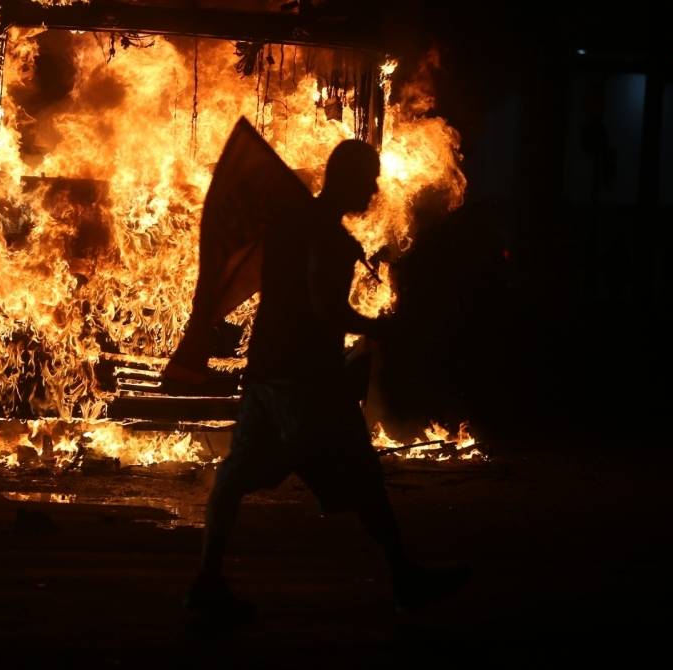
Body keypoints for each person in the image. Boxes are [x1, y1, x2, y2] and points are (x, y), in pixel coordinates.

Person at [185, 139, 468, 620]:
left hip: (268, 371)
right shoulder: (327, 238)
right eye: (369, 178)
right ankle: (404, 579)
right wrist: (381, 327)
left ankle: (207, 584)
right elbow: (324, 309)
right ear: (347, 179)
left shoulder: (293, 224)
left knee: (236, 478)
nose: (375, 189)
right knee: (362, 477)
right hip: (305, 380)